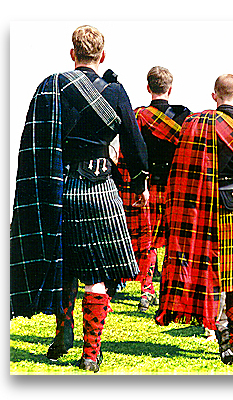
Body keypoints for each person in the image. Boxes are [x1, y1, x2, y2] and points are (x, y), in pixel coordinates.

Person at [10, 25, 149, 372]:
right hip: (102, 189)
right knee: (96, 273)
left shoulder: (54, 88)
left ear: (72, 54)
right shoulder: (115, 92)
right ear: (102, 56)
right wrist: (141, 182)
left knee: (66, 264)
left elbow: (36, 143)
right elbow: (134, 144)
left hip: (63, 188)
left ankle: (63, 331)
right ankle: (90, 353)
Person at [155, 74, 233, 364]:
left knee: (204, 274)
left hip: (198, 207)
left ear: (214, 96)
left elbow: (178, 166)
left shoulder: (195, 124)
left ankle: (215, 326)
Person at [117, 66, 190, 311]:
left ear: (148, 88)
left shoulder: (138, 116)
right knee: (172, 242)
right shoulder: (185, 119)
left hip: (145, 189)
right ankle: (169, 294)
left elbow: (127, 155)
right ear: (170, 89)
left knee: (146, 241)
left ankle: (146, 291)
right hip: (173, 189)